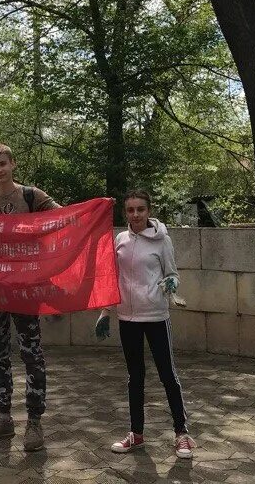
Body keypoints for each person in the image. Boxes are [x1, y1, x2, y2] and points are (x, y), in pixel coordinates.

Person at [0, 143, 60, 452]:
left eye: (3, 163)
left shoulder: (32, 197)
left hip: (26, 289)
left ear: (13, 164)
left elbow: (64, 218)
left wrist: (97, 208)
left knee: (31, 353)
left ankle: (34, 421)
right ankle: (2, 418)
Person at [94, 190, 196, 458]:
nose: (135, 215)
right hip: (127, 318)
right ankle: (136, 433)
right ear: (125, 213)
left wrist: (172, 283)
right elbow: (113, 279)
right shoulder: (120, 240)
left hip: (156, 317)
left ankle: (182, 434)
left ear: (149, 211)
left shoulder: (162, 240)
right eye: (130, 210)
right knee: (134, 377)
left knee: (167, 375)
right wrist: (106, 312)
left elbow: (172, 274)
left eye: (140, 209)